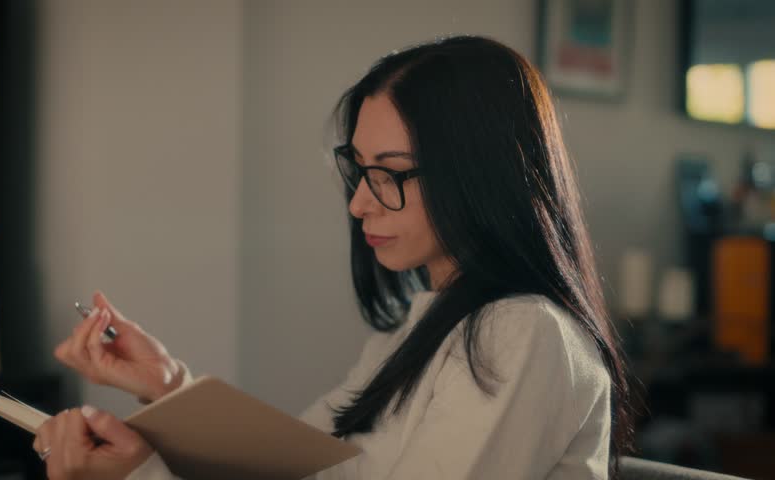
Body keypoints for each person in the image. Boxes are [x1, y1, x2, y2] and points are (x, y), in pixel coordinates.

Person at [33, 35, 634, 479]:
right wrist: (164, 384)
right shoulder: (423, 328)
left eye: (391, 174)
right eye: (359, 172)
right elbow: (297, 463)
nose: (359, 205)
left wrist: (141, 473)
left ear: (479, 176)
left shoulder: (524, 333)